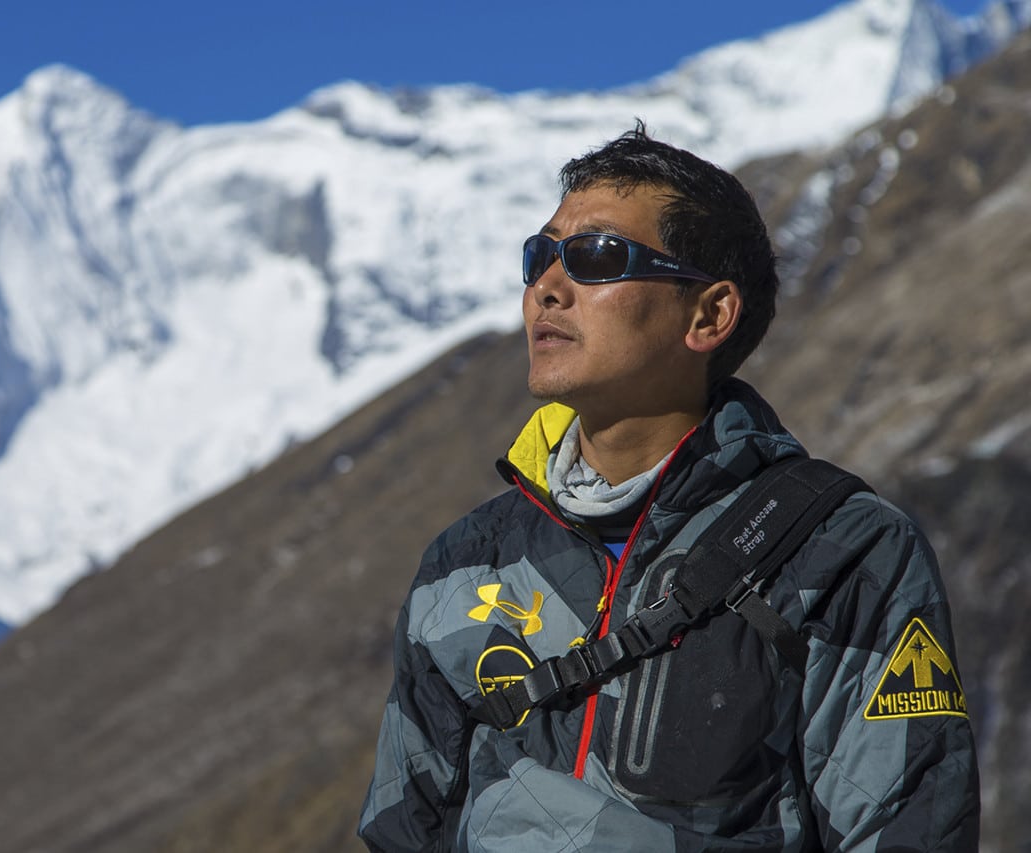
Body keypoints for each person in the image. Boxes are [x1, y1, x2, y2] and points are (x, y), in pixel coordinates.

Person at [357, 123, 979, 851]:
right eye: (540, 256)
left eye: (596, 257)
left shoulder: (843, 549)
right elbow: (404, 832)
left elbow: (908, 827)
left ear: (709, 315)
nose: (546, 289)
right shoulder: (463, 564)